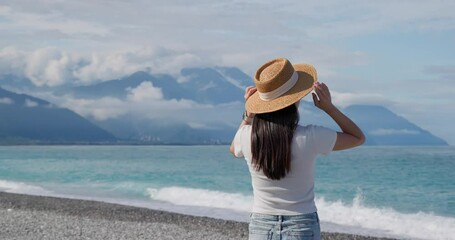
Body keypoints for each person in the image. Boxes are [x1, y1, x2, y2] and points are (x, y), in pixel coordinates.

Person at [229, 58, 365, 240]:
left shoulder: (246, 136)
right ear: (295, 99)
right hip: (301, 224)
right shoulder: (311, 136)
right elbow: (358, 138)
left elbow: (233, 148)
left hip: (261, 224)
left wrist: (248, 115)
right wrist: (329, 108)